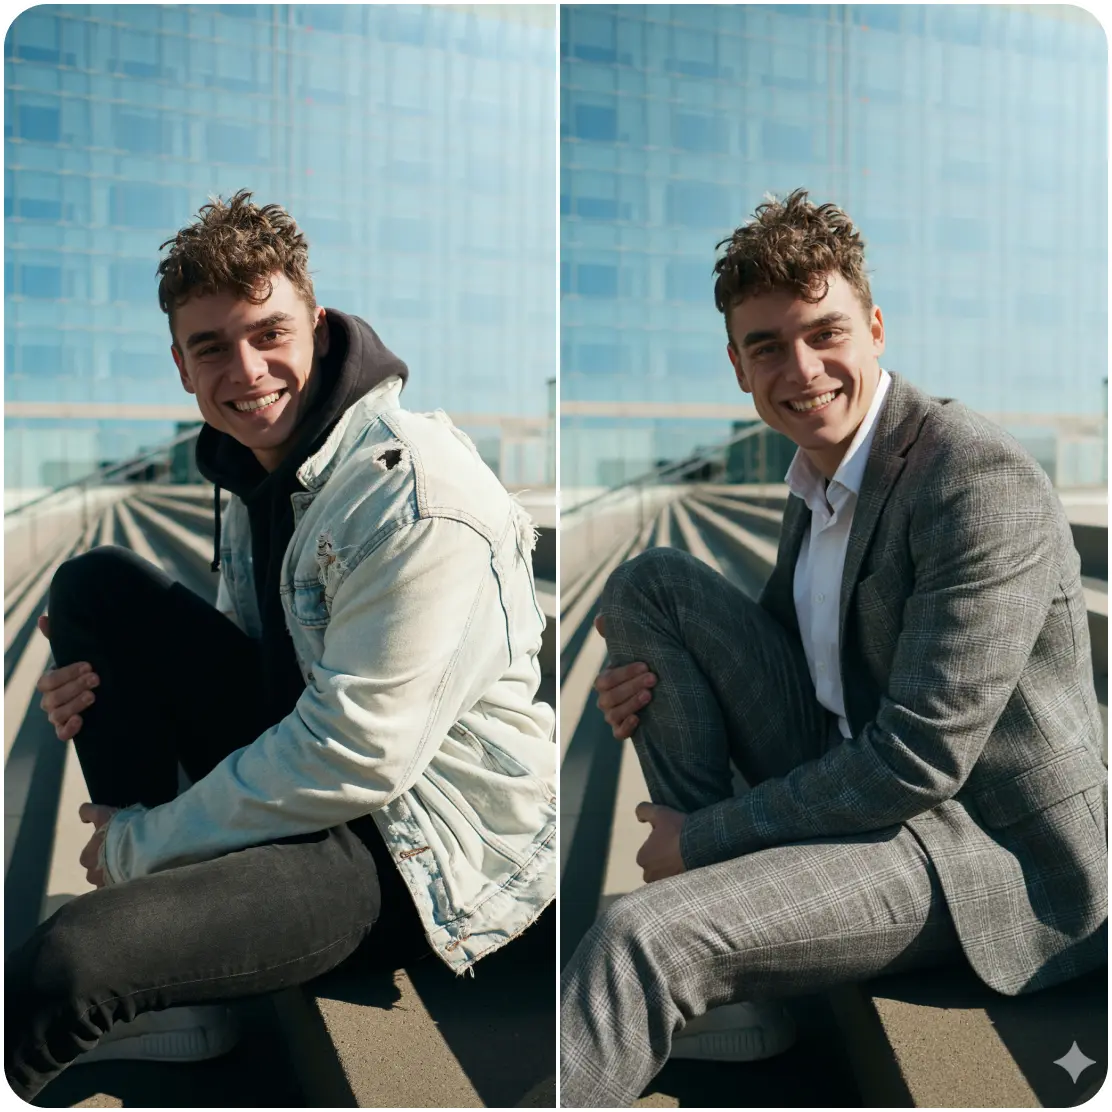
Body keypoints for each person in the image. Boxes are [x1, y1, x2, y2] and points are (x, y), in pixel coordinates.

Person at [6, 191, 556, 1104]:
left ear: (319, 326)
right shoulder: (260, 473)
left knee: (65, 966)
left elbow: (358, 752)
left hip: (418, 845)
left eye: (269, 333)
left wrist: (148, 845)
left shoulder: (413, 493)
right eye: (212, 347)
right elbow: (261, 674)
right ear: (181, 366)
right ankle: (177, 973)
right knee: (94, 590)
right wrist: (102, 690)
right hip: (323, 776)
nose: (247, 369)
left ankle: (138, 933)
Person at [560, 189, 1107, 1107]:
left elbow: (921, 757)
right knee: (650, 587)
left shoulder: (974, 478)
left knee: (636, 936)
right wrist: (643, 676)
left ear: (877, 327)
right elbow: (785, 649)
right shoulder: (816, 478)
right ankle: (728, 945)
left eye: (825, 332)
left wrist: (707, 837)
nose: (802, 368)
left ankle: (696, 905)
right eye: (767, 346)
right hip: (851, 768)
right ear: (737, 366)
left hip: (984, 847)